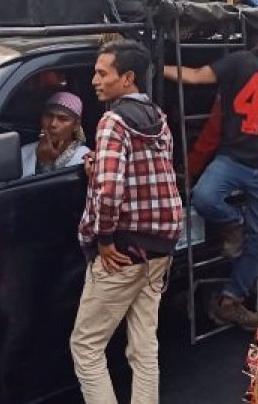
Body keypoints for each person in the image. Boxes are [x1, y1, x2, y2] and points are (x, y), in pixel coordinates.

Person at [164, 8, 258, 329]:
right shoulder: (241, 61)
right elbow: (198, 75)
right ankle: (235, 225)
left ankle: (231, 299)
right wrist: (155, 67)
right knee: (203, 197)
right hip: (233, 159)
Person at [72, 40, 183, 404]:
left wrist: (103, 239)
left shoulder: (112, 121)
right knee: (143, 346)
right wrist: (99, 167)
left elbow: (109, 189)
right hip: (161, 246)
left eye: (103, 73)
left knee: (86, 346)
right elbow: (153, 171)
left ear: (128, 78)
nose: (94, 81)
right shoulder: (159, 118)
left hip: (123, 248)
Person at [21, 92, 89, 176]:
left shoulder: (83, 157)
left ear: (76, 125)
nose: (53, 124)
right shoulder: (25, 151)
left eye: (62, 119)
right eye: (49, 116)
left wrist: (46, 164)